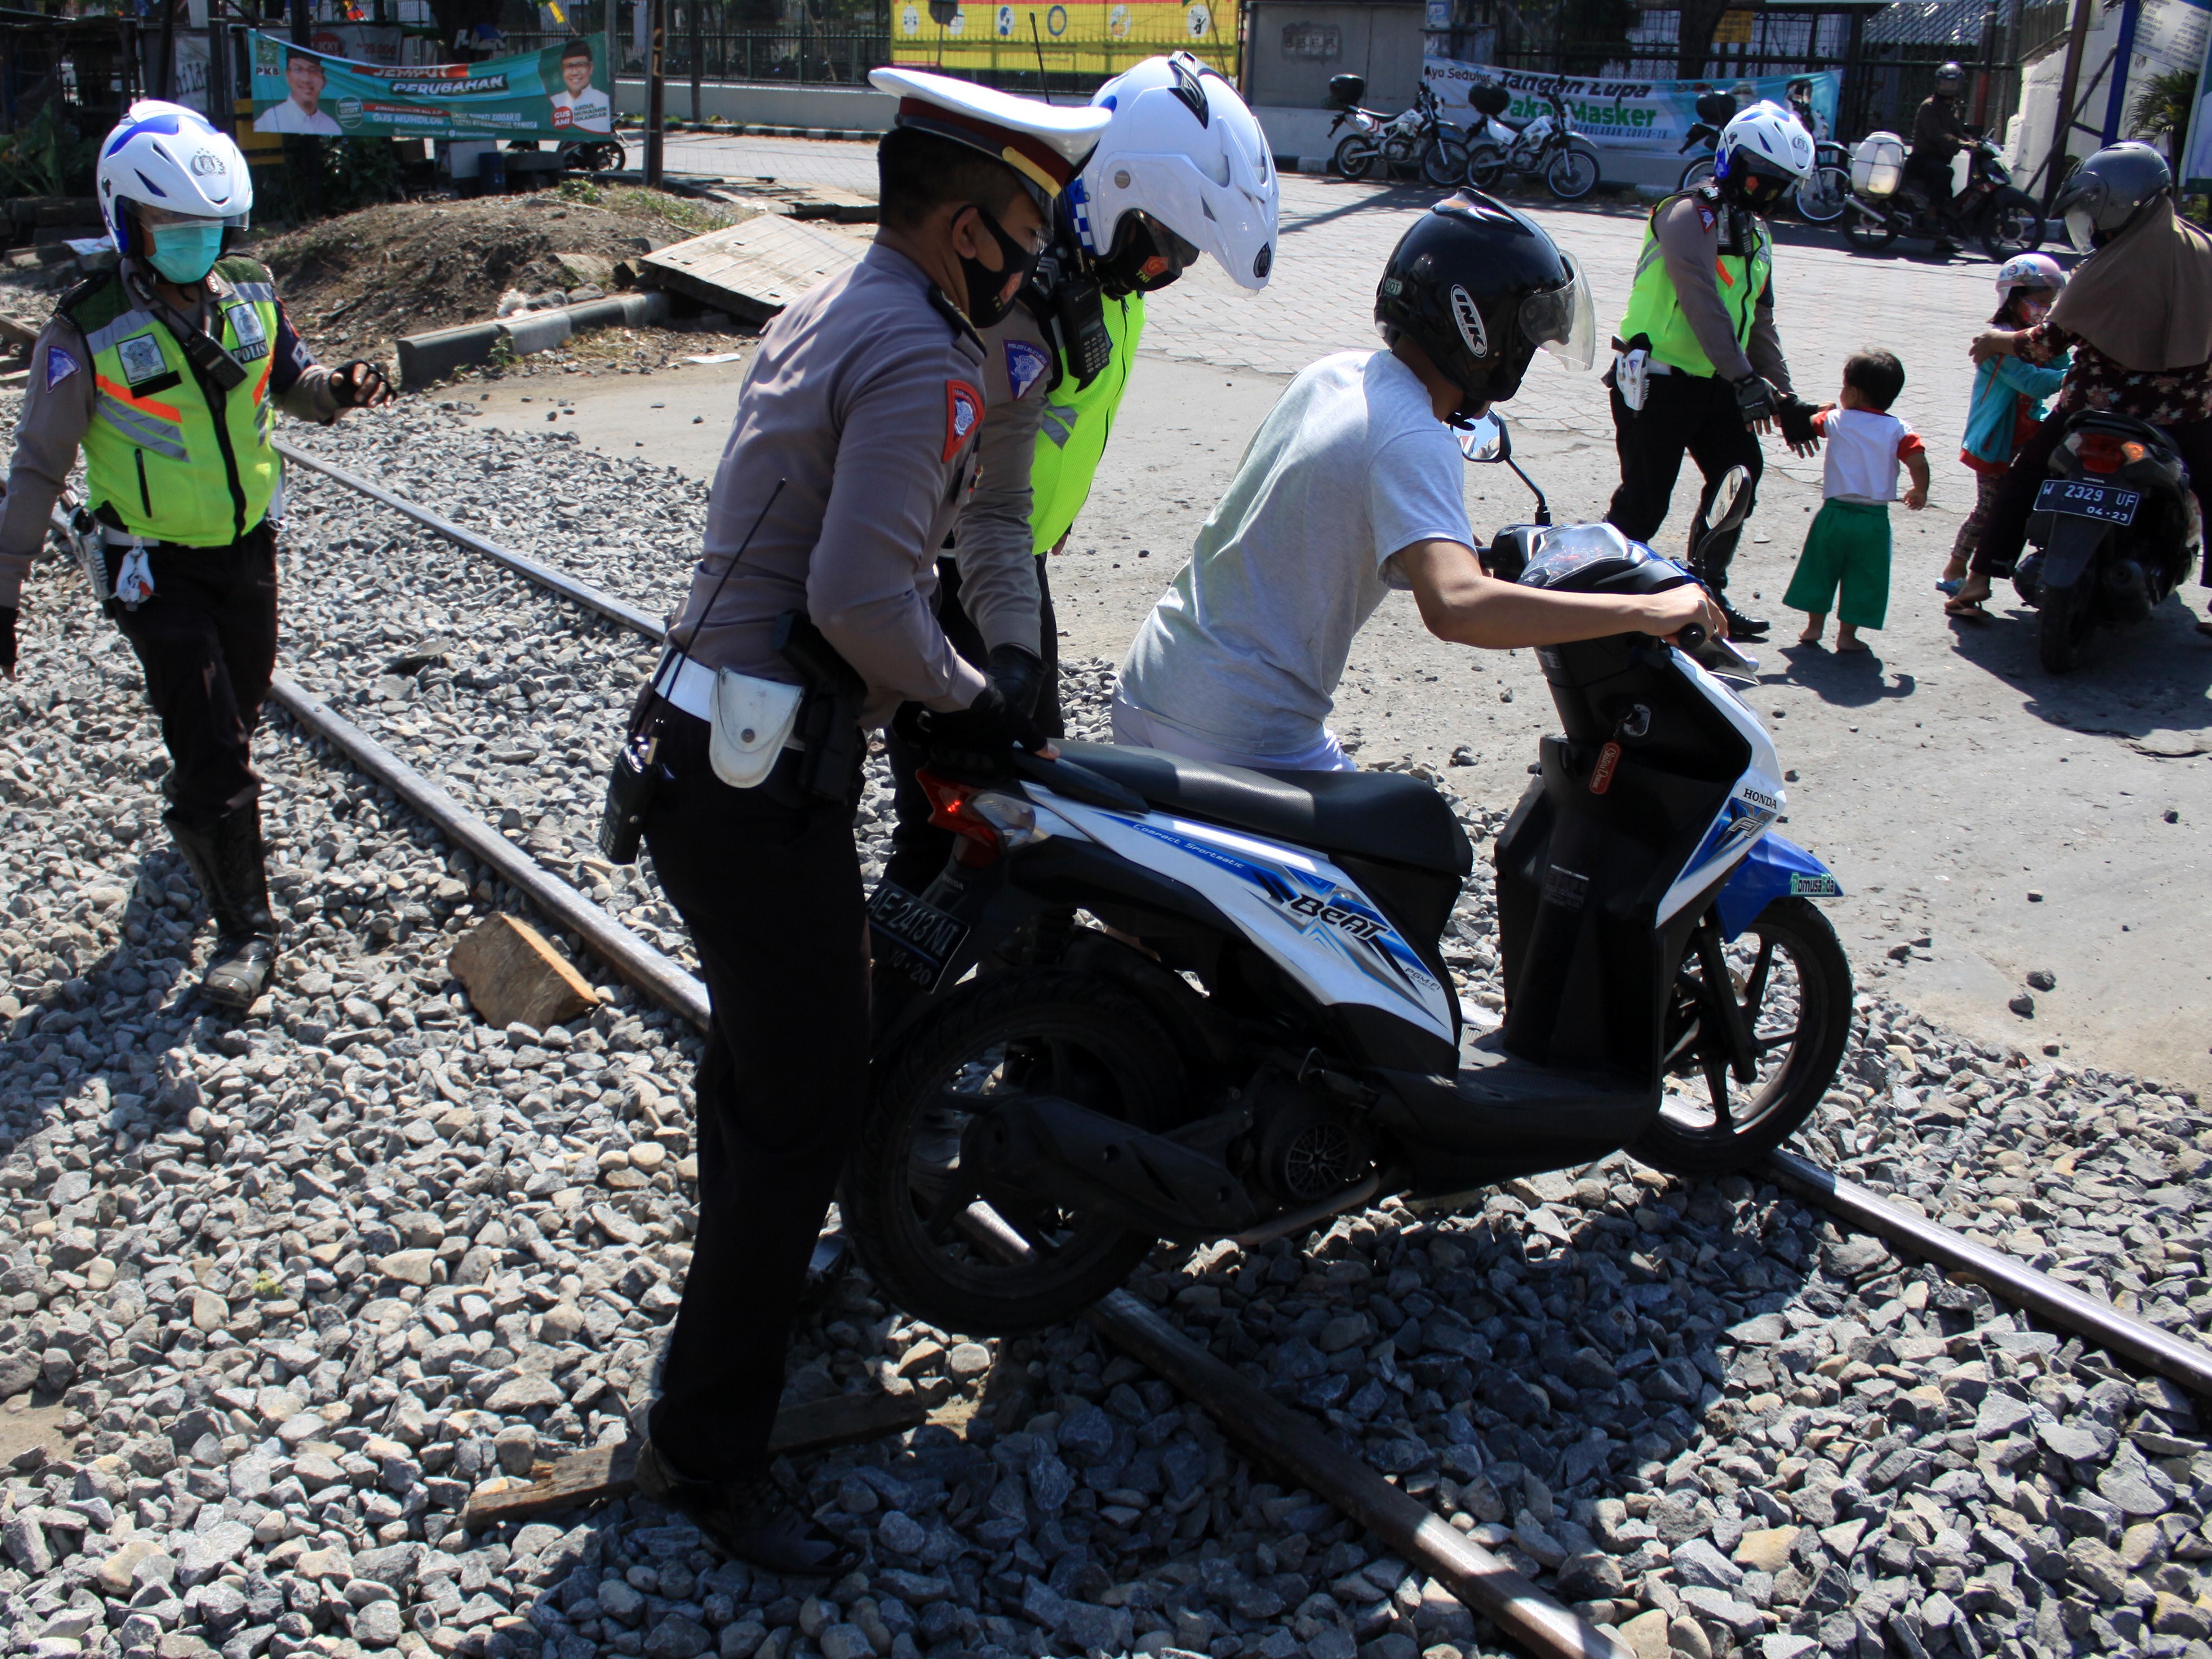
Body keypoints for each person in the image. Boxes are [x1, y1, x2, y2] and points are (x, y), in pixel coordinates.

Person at [618, 71, 1108, 1569]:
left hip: (710, 750)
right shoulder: (922, 354)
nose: (1035, 259)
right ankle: (712, 1449)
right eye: (1026, 227)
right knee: (802, 1109)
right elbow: (857, 597)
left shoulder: (840, 301)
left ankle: (722, 1348)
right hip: (760, 774)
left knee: (761, 1080)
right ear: (965, 229)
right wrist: (971, 687)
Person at [1110, 194, 1722, 772]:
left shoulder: (1335, 374)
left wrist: (1465, 552)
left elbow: (1313, 516)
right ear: (1483, 330)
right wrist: (1646, 611)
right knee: (1419, 839)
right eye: (1526, 337)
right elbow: (1457, 608)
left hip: (1152, 682)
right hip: (1233, 727)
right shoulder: (1414, 435)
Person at [0, 101, 390, 1008]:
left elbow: (292, 383)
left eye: (208, 225)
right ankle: (247, 931)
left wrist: (340, 388)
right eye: (171, 224)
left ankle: (200, 808)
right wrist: (3, 594)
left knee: (236, 710)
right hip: (149, 567)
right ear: (127, 221)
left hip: (247, 551)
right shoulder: (84, 330)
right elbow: (36, 470)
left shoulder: (251, 290)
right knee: (214, 741)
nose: (193, 239)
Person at [878, 50, 1278, 894]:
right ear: (1116, 191)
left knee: (1016, 803)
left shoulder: (1104, 281)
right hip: (956, 575)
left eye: (1183, 254)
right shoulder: (1021, 290)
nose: (1167, 271)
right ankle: (909, 969)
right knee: (958, 814)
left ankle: (992, 959)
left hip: (1011, 558)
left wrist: (1047, 518)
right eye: (1162, 247)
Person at [1946, 143, 2212, 635]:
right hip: (2181, 415)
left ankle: (1978, 579)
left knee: (2023, 478)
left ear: (2118, 203)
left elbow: (2043, 344)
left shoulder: (2103, 265)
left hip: (2091, 410)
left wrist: (1996, 341)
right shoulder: (2203, 251)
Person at [1603, 99, 1821, 642]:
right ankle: (1600, 595)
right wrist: (1745, 379)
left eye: (1779, 184)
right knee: (1645, 500)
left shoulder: (1757, 234)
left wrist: (1785, 398)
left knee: (1739, 476)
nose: (1765, 192)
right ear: (1731, 159)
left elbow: (1759, 320)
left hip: (1717, 382)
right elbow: (1700, 299)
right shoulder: (1686, 214)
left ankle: (1704, 591)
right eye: (1758, 177)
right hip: (1656, 379)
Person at [1782, 350, 1930, 652]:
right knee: (1866, 576)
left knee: (1819, 568)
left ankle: (1814, 627)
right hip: (1873, 519)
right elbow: (1918, 460)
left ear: (1851, 392)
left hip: (1834, 514)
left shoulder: (1837, 419)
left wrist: (1820, 409)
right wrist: (1920, 490)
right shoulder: (1899, 429)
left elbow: (1812, 422)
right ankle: (1847, 636)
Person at [1941, 253, 2066, 591]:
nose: (2044, 310)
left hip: (2029, 430)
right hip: (1997, 439)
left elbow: (2060, 361)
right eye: (2038, 303)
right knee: (1990, 509)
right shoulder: (1997, 344)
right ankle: (1955, 569)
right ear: (2013, 297)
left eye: (2049, 304)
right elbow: (2034, 382)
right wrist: (2079, 374)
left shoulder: (2035, 338)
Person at [1906, 61, 1969, 256]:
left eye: (1952, 84)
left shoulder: (1952, 107)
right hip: (1922, 160)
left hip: (1938, 160)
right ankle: (1931, 217)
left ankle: (1942, 240)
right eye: (1945, 84)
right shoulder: (1929, 106)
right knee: (1945, 173)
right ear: (1937, 84)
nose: (1948, 88)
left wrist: (1972, 142)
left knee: (1948, 197)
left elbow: (1956, 131)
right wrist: (1960, 143)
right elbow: (1936, 133)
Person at [254, 49, 343, 136]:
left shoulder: (331, 127)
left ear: (323, 80)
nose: (306, 79)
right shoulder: (270, 121)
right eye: (298, 69)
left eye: (314, 70)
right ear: (287, 75)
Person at [548, 39, 611, 134]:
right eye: (569, 66)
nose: (575, 72)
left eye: (580, 65)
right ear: (562, 70)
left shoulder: (603, 100)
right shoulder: (553, 103)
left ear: (591, 68)